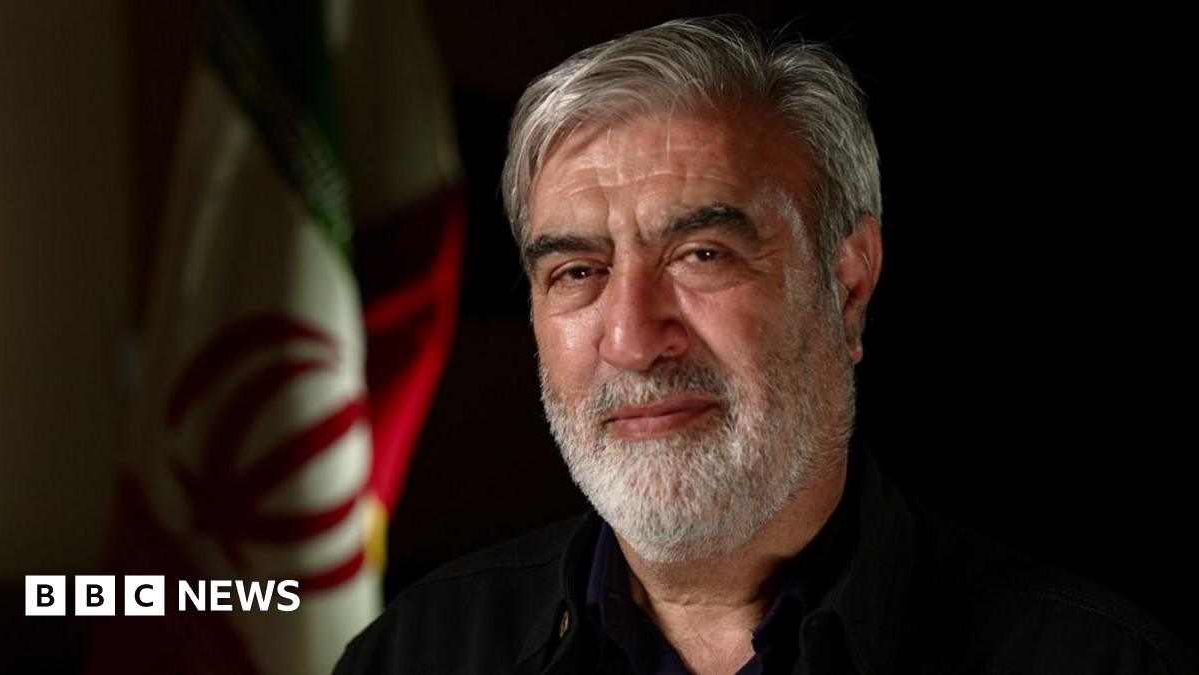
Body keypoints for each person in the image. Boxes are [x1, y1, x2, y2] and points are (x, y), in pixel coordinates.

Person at [335, 16, 1196, 674]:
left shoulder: (1092, 660)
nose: (633, 339)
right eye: (577, 272)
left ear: (849, 282)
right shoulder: (417, 651)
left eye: (701, 255)